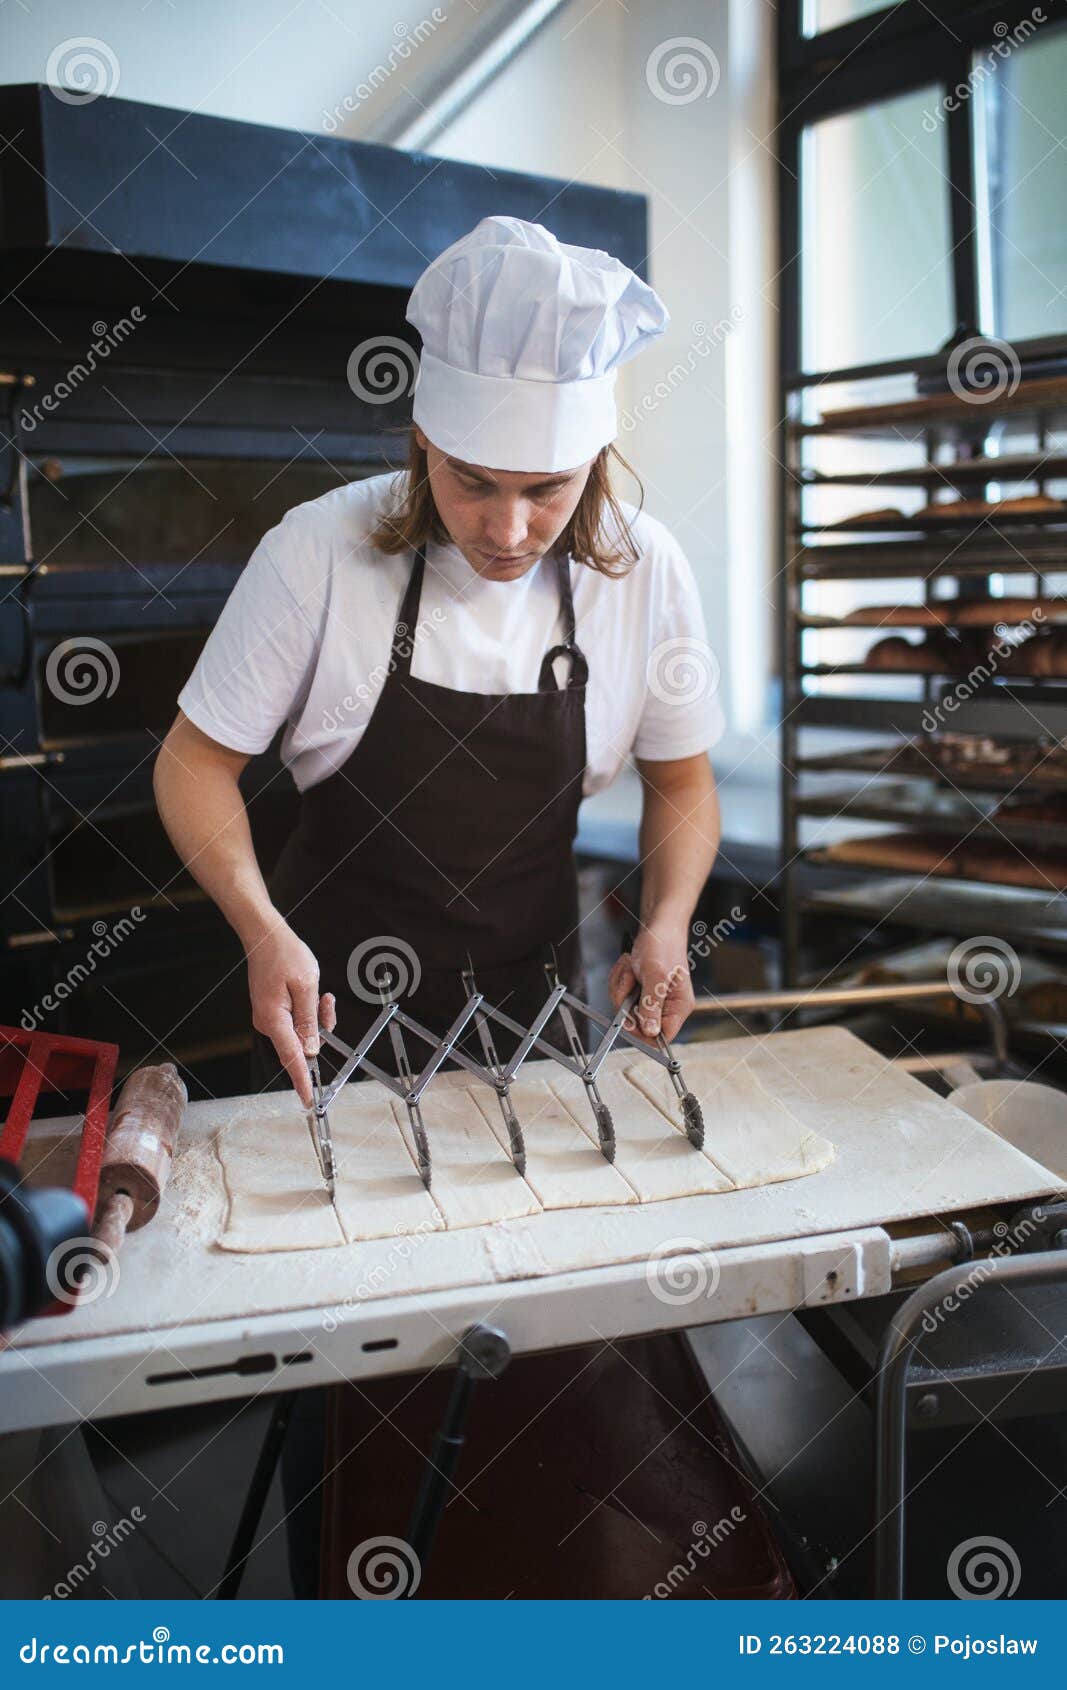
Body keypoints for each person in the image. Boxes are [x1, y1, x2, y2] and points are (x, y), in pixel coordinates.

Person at [155, 214, 724, 1594]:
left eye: (551, 486)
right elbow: (192, 765)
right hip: (329, 1049)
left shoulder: (642, 570)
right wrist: (257, 922)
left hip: (536, 1049)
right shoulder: (319, 557)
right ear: (422, 440)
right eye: (479, 484)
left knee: (548, 1386)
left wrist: (663, 919)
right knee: (359, 1420)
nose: (514, 527)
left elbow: (682, 786)